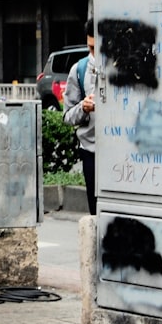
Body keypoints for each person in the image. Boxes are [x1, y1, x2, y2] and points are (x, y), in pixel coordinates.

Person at [63, 18, 97, 215]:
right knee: (95, 212)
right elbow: (67, 116)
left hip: (122, 152)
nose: (95, 55)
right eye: (91, 48)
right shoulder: (79, 70)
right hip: (91, 150)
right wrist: (83, 108)